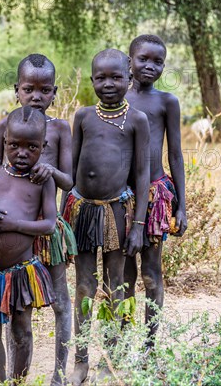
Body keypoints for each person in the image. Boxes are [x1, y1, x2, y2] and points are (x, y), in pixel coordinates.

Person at [0, 53, 76, 385]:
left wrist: (52, 171)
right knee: (15, 302)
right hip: (10, 231)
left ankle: (60, 374)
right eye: (29, 89)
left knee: (60, 302)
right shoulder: (5, 126)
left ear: (54, 92)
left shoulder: (61, 129)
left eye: (45, 90)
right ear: (16, 90)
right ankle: (9, 377)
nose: (37, 96)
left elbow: (70, 181)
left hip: (48, 232)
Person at [64, 49, 150, 385]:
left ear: (129, 80)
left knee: (117, 286)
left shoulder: (137, 120)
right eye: (101, 78)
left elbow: (141, 175)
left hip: (118, 211)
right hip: (83, 211)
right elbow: (70, 172)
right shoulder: (83, 117)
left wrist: (139, 225)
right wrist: (62, 219)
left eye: (116, 77)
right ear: (92, 81)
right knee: (84, 286)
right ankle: (81, 361)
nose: (108, 84)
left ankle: (110, 359)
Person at [0, 106, 58, 384]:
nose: (22, 153)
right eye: (14, 145)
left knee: (21, 331)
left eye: (31, 147)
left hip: (21, 271)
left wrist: (13, 226)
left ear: (44, 146)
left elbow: (49, 225)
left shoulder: (42, 180)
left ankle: (17, 382)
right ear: (4, 142)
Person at [124, 34, 187, 349]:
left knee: (151, 271)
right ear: (129, 61)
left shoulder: (166, 102)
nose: (150, 66)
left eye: (158, 61)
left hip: (155, 195)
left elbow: (175, 155)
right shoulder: (116, 98)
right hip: (121, 198)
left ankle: (149, 344)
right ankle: (119, 341)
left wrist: (182, 207)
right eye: (143, 59)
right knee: (122, 274)